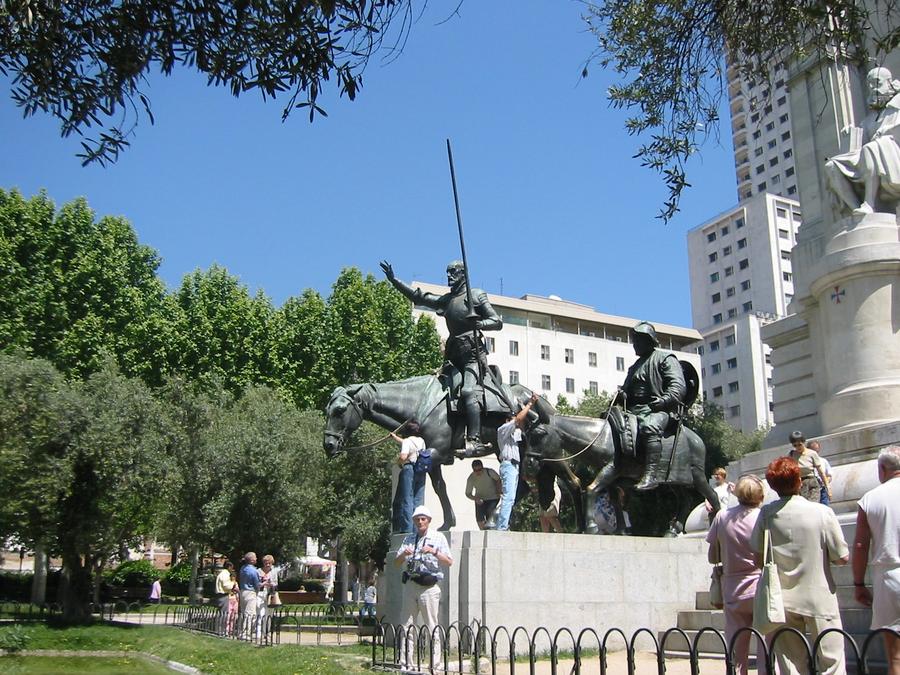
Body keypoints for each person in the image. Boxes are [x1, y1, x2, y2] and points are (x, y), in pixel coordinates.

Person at [381, 260, 502, 453]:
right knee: (438, 394)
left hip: (473, 358)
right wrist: (394, 280)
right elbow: (419, 297)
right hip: (453, 357)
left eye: (453, 272)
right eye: (448, 272)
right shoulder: (447, 300)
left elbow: (496, 321)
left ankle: (475, 439)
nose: (449, 276)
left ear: (463, 273)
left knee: (468, 392)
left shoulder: (476, 295)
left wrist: (478, 324)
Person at [751, 457, 849, 675]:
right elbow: (841, 557)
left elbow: (758, 558)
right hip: (818, 594)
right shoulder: (822, 513)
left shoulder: (766, 515)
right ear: (799, 482)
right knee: (832, 662)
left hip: (781, 599)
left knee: (791, 666)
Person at [618, 321, 687, 490]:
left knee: (649, 427)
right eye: (633, 340)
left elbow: (678, 387)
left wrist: (664, 401)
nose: (634, 344)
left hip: (659, 409)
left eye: (637, 340)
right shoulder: (634, 367)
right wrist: (623, 396)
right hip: (634, 411)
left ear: (648, 340)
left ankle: (651, 475)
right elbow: (629, 391)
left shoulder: (665, 358)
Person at [707, 475, 764, 675]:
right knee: (766, 642)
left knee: (735, 645)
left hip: (732, 587)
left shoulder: (722, 516)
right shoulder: (763, 516)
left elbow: (712, 555)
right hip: (759, 584)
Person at [825, 66, 900, 215]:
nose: (873, 88)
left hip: (892, 155)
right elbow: (859, 146)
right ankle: (856, 210)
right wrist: (853, 133)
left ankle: (869, 203)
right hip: (871, 157)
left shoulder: (897, 108)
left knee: (871, 148)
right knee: (831, 165)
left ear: (890, 83)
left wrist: (887, 130)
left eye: (877, 83)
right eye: (870, 85)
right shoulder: (868, 121)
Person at [852, 445, 900, 675]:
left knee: (896, 657)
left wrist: (859, 583)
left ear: (882, 468)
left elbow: (861, 546)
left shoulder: (870, 499)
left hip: (888, 576)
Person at [395, 505, 453, 672]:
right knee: (407, 625)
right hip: (411, 585)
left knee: (432, 626)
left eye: (423, 519)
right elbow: (397, 563)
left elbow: (449, 561)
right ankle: (406, 662)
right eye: (417, 519)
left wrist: (434, 552)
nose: (420, 522)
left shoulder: (438, 537)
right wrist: (403, 554)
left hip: (429, 587)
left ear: (429, 521)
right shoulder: (409, 539)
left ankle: (434, 663)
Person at [495, 393, 539, 531]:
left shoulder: (514, 433)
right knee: (508, 497)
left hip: (514, 466)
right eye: (514, 418)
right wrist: (529, 404)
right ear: (508, 419)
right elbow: (519, 419)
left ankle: (503, 524)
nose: (518, 422)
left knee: (511, 498)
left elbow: (525, 425)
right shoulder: (503, 429)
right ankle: (501, 527)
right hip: (508, 465)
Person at [391, 421, 426, 533]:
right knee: (418, 500)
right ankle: (417, 529)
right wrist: (395, 438)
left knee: (407, 499)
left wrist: (398, 463)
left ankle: (407, 529)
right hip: (421, 470)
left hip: (409, 469)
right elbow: (412, 446)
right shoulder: (421, 441)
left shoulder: (407, 441)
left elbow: (403, 455)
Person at [787, 431, 829, 502]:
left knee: (813, 504)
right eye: (795, 445)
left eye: (800, 444)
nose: (798, 447)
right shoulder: (791, 455)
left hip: (811, 482)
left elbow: (821, 472)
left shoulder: (812, 453)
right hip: (799, 484)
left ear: (804, 442)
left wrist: (827, 486)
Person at [465, 459, 502, 530]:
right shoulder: (471, 478)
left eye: (480, 470)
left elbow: (498, 479)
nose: (478, 472)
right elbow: (468, 493)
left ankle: (491, 529)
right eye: (476, 470)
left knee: (490, 513)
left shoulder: (489, 472)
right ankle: (483, 532)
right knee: (479, 519)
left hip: (493, 497)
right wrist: (475, 498)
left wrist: (498, 491)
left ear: (482, 467)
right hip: (480, 499)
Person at [238, 551, 261, 638]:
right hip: (250, 592)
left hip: (242, 591)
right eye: (255, 557)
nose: (256, 559)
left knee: (243, 612)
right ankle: (245, 633)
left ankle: (241, 631)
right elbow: (257, 584)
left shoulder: (243, 568)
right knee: (250, 613)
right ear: (251, 560)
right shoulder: (254, 571)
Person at [808, 441, 834, 505]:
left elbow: (829, 475)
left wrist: (825, 482)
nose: (815, 453)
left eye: (816, 450)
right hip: (811, 490)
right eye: (813, 450)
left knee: (825, 507)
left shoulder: (823, 461)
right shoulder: (806, 462)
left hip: (822, 489)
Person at [215, 561, 235, 633]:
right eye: (232, 568)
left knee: (222, 613)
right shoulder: (225, 574)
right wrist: (233, 583)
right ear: (229, 567)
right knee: (223, 613)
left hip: (222, 595)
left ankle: (220, 629)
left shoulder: (222, 574)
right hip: (223, 595)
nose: (232, 569)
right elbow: (227, 586)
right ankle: (221, 630)